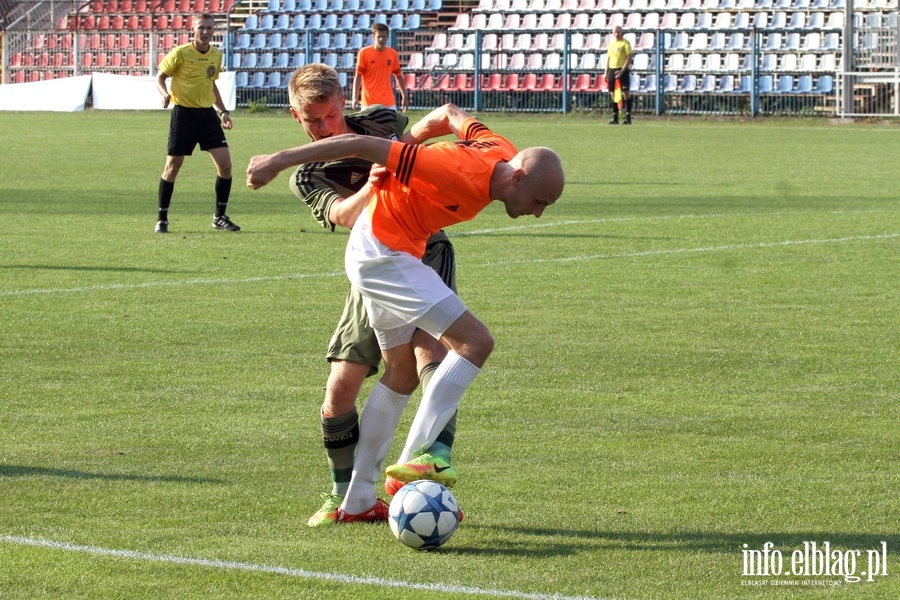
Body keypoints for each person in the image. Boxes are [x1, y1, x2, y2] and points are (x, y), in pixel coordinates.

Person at [246, 104, 565, 523]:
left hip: (386, 247)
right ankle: (419, 457)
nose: (537, 212)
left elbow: (449, 112)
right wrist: (277, 161)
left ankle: (358, 500)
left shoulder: (498, 147)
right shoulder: (448, 167)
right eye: (539, 202)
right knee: (476, 342)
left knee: (401, 371)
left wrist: (412, 137)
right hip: (383, 255)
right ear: (519, 177)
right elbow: (362, 143)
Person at [284, 64, 460, 527]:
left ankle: (432, 457)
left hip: (425, 248)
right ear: (294, 115)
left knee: (429, 353)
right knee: (340, 390)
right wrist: (376, 179)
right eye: (311, 120)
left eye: (328, 116)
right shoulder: (307, 174)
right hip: (374, 267)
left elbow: (418, 137)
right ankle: (348, 498)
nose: (322, 127)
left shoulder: (381, 122)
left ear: (343, 103)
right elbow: (341, 214)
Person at [155, 12, 240, 234]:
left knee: (226, 165)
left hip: (206, 116)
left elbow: (211, 84)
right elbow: (160, 77)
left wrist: (223, 112)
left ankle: (219, 217)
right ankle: (162, 218)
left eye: (209, 28)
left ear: (214, 31)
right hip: (183, 116)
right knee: (172, 167)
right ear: (193, 29)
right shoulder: (180, 53)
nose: (205, 32)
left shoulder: (216, 55)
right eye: (201, 27)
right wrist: (165, 94)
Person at [351, 22, 408, 112]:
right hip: (369, 103)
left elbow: (399, 76)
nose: (381, 39)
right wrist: (354, 97)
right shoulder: (364, 53)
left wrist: (404, 96)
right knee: (368, 126)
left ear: (387, 37)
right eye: (379, 37)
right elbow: (358, 76)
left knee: (392, 126)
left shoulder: (392, 54)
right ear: (374, 37)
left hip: (388, 103)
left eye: (384, 36)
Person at [605, 25, 633, 125]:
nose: (617, 34)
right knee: (613, 94)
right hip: (612, 70)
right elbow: (608, 58)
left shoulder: (625, 43)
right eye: (615, 32)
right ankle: (615, 117)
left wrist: (622, 71)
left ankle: (628, 117)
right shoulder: (611, 44)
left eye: (618, 32)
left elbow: (629, 57)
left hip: (622, 70)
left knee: (625, 92)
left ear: (622, 32)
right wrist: (606, 71)